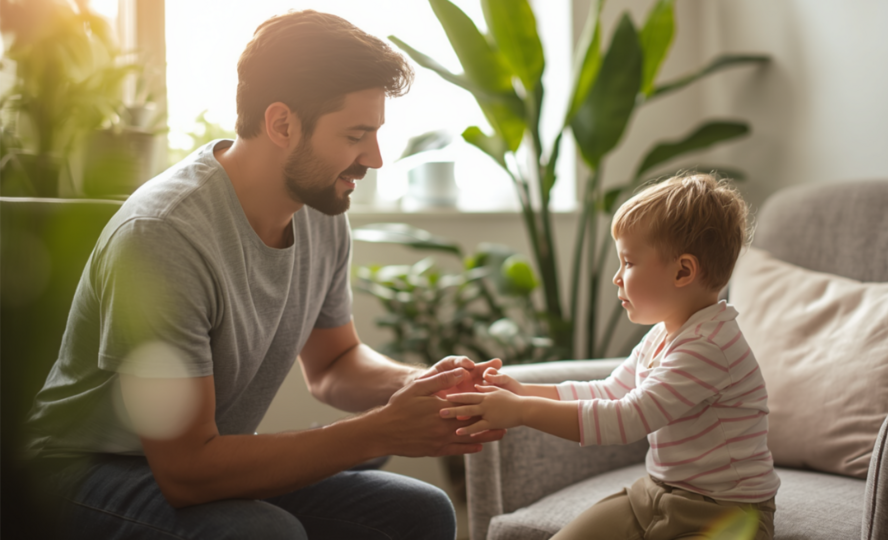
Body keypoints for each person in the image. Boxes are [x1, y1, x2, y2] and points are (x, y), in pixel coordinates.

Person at [23, 10, 503, 540]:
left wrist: (419, 385)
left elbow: (334, 365)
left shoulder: (320, 207)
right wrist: (378, 431)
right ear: (282, 124)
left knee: (421, 511)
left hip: (195, 457)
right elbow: (186, 472)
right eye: (356, 135)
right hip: (82, 475)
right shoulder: (165, 235)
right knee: (262, 532)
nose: (375, 158)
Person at [441, 173, 780, 539]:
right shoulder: (663, 334)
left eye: (629, 263)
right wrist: (522, 391)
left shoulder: (710, 347)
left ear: (683, 271)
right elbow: (610, 391)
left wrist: (522, 411)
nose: (617, 278)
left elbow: (628, 418)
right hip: (656, 493)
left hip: (726, 512)